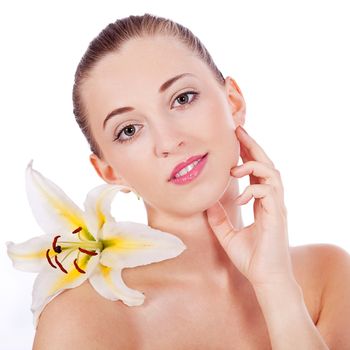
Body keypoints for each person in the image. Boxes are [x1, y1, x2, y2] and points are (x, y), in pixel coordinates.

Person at [32, 13, 350, 349]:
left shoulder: (328, 275)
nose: (169, 141)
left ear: (233, 102)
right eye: (129, 130)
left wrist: (277, 287)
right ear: (110, 172)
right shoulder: (83, 317)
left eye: (182, 98)